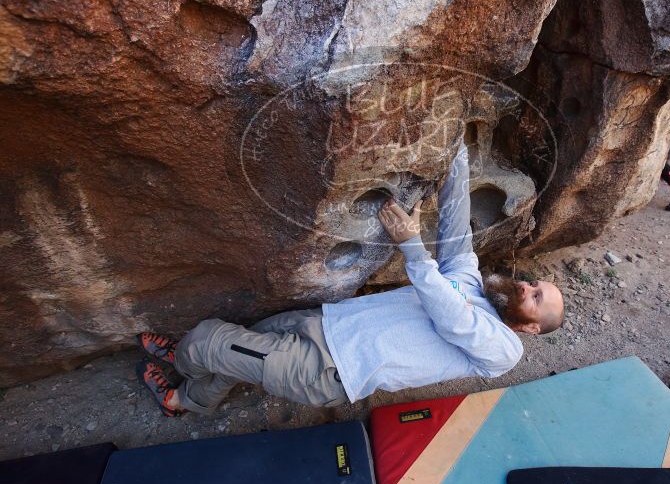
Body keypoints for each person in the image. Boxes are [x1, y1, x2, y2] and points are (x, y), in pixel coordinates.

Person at [135, 139, 565, 416]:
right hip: (324, 323)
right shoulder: (472, 281)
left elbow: (451, 317)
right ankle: (196, 399)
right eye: (535, 283)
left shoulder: (502, 350)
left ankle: (178, 375)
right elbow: (456, 225)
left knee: (211, 341)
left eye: (536, 297)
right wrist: (456, 152)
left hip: (327, 371)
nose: (527, 286)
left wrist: (411, 246)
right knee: (239, 348)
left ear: (529, 326)